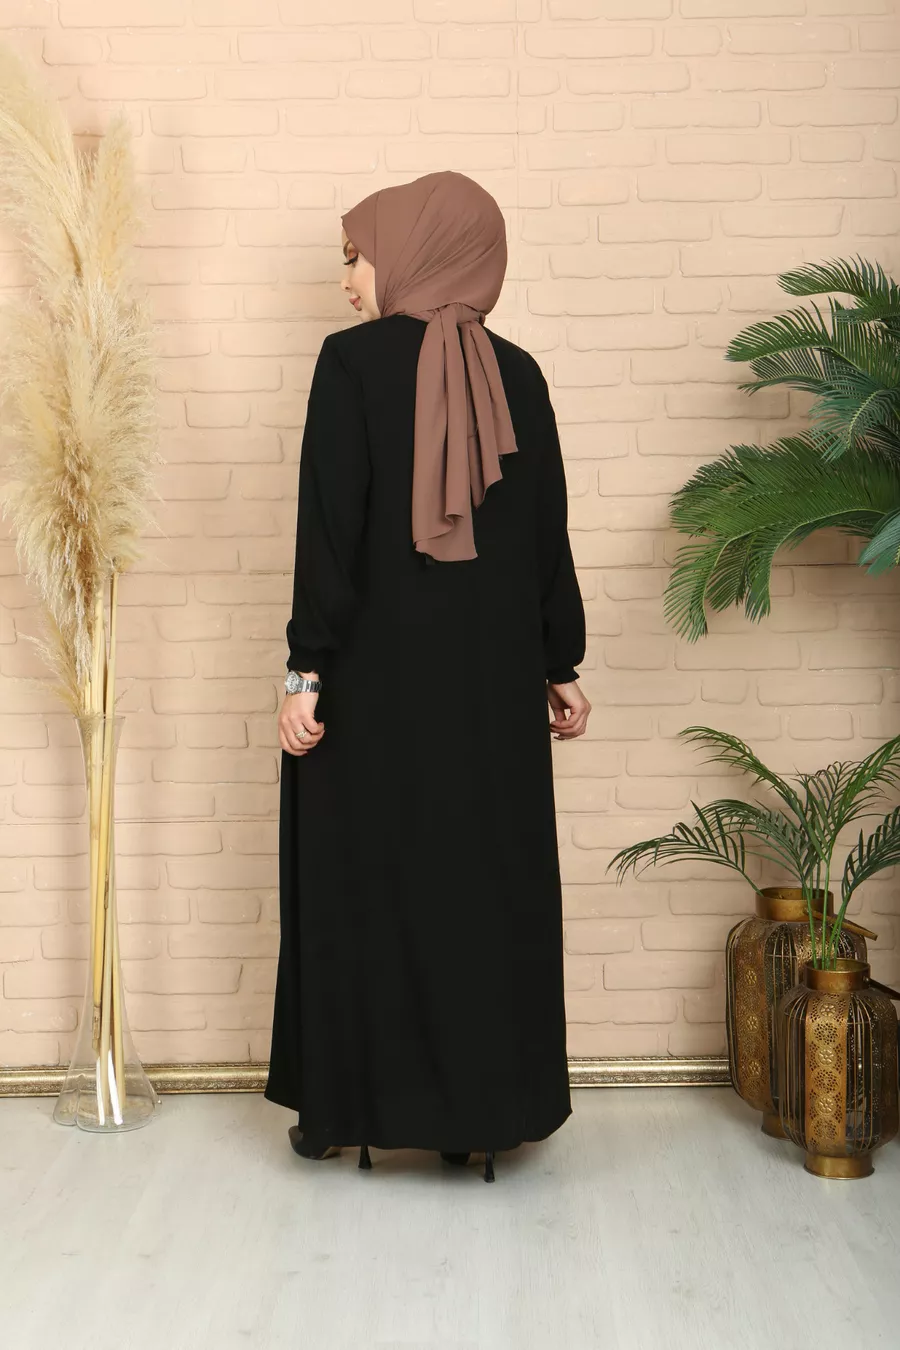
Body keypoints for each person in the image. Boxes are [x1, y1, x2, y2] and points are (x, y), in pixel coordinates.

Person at [263, 170, 591, 1184]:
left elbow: (330, 531)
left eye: (355, 258)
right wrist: (558, 662)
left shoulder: (352, 366)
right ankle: (474, 1114)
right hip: (490, 696)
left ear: (414, 254)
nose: (348, 281)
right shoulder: (521, 373)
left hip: (372, 694)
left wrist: (305, 670)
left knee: (360, 884)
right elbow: (546, 534)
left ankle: (344, 1109)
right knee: (479, 887)